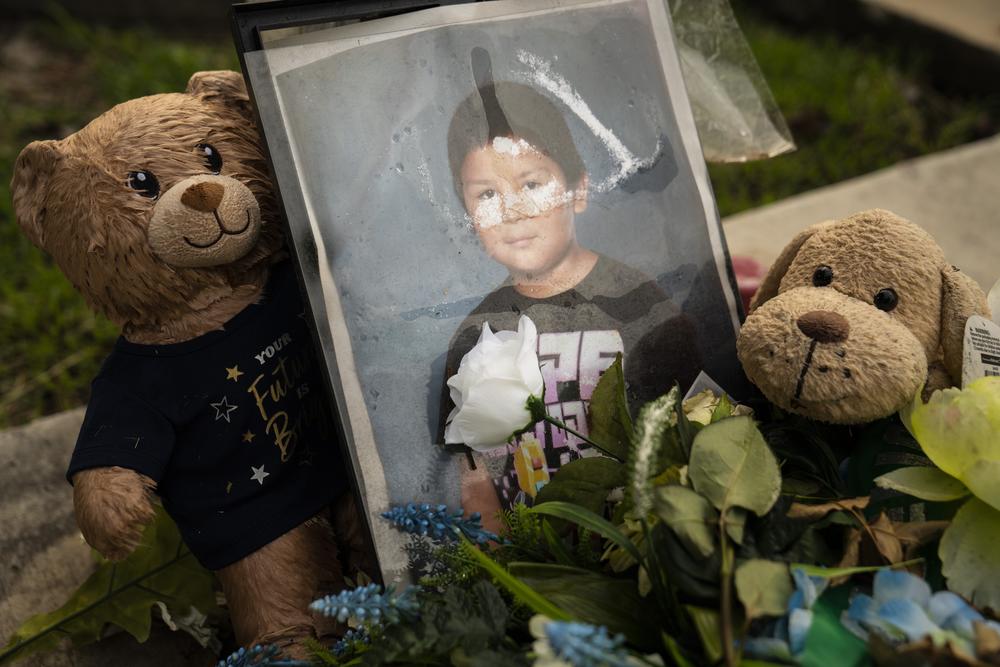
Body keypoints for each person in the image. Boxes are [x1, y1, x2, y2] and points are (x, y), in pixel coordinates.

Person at [440, 69, 699, 526]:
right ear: (468, 217)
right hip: (539, 555)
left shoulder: (640, 303)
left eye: (532, 185)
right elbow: (472, 476)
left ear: (579, 190)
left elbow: (696, 422)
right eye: (487, 194)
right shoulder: (475, 336)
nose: (513, 210)